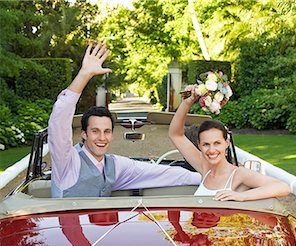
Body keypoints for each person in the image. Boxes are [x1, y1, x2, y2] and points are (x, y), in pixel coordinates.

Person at [48, 43, 202, 198]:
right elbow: (59, 120)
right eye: (95, 131)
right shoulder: (67, 161)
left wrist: (210, 179)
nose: (102, 138)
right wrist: (84, 75)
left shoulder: (114, 166)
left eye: (107, 131)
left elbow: (162, 173)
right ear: (84, 134)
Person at [168, 86, 291, 201]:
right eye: (206, 144)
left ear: (226, 143)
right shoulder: (205, 168)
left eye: (217, 143)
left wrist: (241, 196)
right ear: (199, 146)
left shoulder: (238, 174)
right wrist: (187, 102)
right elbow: (175, 134)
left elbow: (283, 187)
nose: (212, 150)